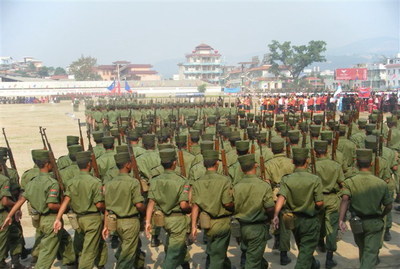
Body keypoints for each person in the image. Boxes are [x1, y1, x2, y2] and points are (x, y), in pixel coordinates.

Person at [1, 149, 76, 269]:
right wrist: (65, 207)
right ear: (47, 164)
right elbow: (51, 205)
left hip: (41, 220)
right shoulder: (52, 183)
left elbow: (21, 200)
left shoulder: (32, 182)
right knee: (47, 253)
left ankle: (71, 263)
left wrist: (10, 215)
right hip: (51, 219)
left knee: (65, 239)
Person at [339, 149, 393, 269]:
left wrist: (341, 219)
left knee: (363, 250)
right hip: (374, 222)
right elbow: (389, 205)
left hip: (357, 222)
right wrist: (382, 214)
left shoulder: (350, 181)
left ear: (356, 163)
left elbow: (345, 199)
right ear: (372, 164)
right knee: (369, 254)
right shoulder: (381, 183)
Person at [53, 151, 105, 269]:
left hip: (78, 219)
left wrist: (58, 218)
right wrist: (106, 207)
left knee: (80, 244)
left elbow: (66, 200)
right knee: (89, 250)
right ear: (88, 164)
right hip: (92, 219)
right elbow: (98, 205)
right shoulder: (95, 182)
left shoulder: (72, 182)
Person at [273, 147, 324, 269]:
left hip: (293, 220)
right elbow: (319, 203)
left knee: (303, 246)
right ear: (307, 161)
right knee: (305, 249)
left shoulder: (287, 179)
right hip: (310, 220)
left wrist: (276, 215)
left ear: (292, 161)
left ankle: (312, 264)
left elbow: (281, 197)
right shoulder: (315, 179)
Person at [145, 149, 191, 269]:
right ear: (174, 163)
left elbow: (151, 202)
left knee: (174, 244)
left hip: (163, 220)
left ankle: (185, 264)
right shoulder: (181, 180)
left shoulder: (155, 180)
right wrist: (191, 209)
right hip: (177, 220)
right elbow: (183, 205)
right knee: (174, 252)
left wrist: (148, 222)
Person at [190, 150, 234, 269]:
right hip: (222, 222)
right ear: (217, 163)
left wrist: (193, 226)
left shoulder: (198, 182)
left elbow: (195, 206)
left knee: (216, 248)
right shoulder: (225, 180)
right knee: (218, 254)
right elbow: (227, 202)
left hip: (207, 223)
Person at [102, 152, 146, 269]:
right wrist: (145, 211)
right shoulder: (133, 182)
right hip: (130, 222)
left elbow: (107, 207)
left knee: (130, 247)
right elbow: (138, 204)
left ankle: (139, 265)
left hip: (116, 222)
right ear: (127, 165)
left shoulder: (109, 184)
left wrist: (106, 225)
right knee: (127, 256)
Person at [233, 153, 274, 269]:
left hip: (242, 227)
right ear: (256, 166)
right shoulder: (264, 185)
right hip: (257, 227)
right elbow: (270, 207)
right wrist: (272, 219)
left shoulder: (236, 186)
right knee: (253, 262)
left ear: (241, 169)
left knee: (254, 255)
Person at [313, 140, 344, 268]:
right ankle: (330, 257)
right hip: (332, 198)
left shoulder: (313, 166)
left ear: (315, 152)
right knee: (331, 228)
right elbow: (342, 183)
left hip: (317, 199)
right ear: (326, 151)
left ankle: (320, 243)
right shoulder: (335, 165)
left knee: (318, 223)